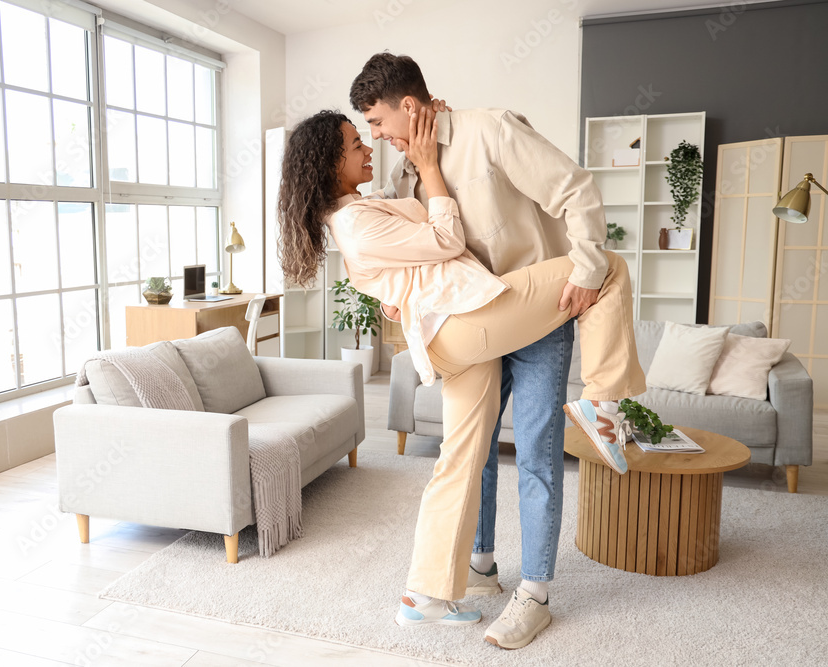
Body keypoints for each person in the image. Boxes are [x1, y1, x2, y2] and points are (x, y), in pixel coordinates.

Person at [276, 108, 646, 649]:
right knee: (605, 265)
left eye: (371, 131)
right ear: (329, 163)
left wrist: (426, 152)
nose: (369, 146)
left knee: (461, 457)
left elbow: (411, 261)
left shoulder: (360, 207)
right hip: (467, 322)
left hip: (452, 330)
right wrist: (429, 166)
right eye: (357, 142)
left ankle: (424, 596)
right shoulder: (356, 222)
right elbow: (448, 238)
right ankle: (605, 402)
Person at [348, 52, 612, 647]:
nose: (377, 138)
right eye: (367, 130)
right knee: (476, 449)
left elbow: (575, 188)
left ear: (409, 106)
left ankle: (536, 593)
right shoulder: (403, 176)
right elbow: (415, 250)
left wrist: (591, 267)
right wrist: (399, 298)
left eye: (378, 123)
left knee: (539, 453)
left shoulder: (491, 130)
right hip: (472, 325)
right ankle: (483, 564)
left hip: (539, 316)